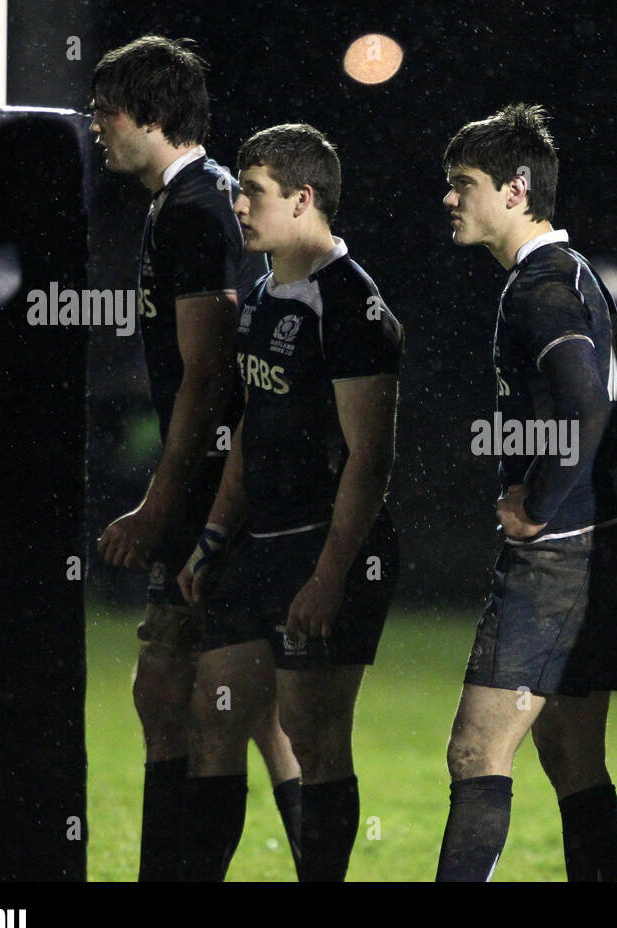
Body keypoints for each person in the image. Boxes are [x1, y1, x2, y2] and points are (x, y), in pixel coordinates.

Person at [89, 35, 300, 881]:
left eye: (108, 112)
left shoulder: (195, 209)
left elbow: (209, 376)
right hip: (232, 491)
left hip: (221, 497)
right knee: (250, 714)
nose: (98, 127)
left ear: (154, 117)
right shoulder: (192, 202)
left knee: (188, 701)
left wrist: (161, 502)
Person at [178, 123, 402, 882]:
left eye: (254, 193)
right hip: (260, 546)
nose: (239, 205)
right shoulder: (267, 291)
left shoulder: (350, 304)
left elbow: (370, 457)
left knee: (314, 735)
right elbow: (250, 426)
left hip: (327, 547)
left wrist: (331, 574)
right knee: (213, 713)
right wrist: (213, 536)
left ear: (303, 199)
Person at [436, 104, 617, 882]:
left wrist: (540, 502)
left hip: (559, 557)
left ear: (517, 189)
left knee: (476, 750)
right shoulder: (580, 272)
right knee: (571, 755)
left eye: (465, 184)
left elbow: (589, 401)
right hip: (606, 540)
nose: (450, 199)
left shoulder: (538, 289)